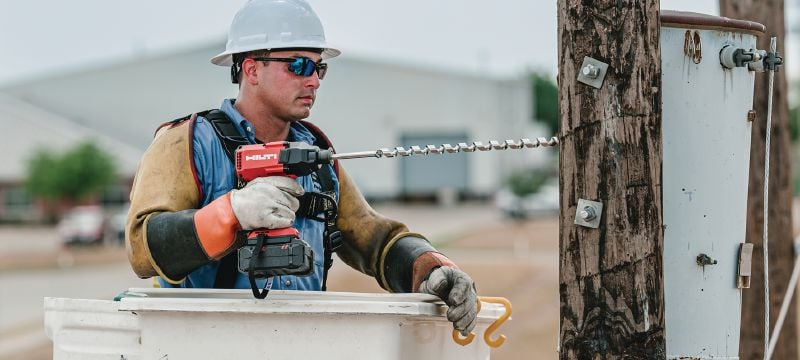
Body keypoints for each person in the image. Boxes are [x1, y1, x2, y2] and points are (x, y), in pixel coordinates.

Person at [125, 0, 478, 335]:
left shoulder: (316, 155)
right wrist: (231, 213)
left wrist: (431, 268)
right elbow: (141, 248)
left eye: (319, 66)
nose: (314, 80)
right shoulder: (186, 143)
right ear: (251, 69)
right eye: (298, 65)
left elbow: (375, 241)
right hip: (204, 343)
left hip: (301, 341)